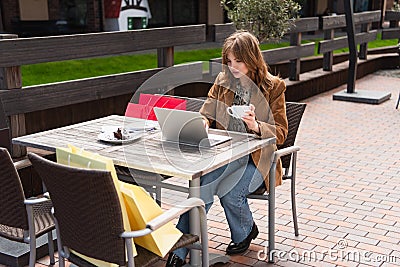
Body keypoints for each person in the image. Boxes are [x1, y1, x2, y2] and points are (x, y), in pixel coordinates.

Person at [166, 30, 288, 267]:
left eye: (238, 61)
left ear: (252, 59)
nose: (232, 67)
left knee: (231, 193)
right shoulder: (222, 82)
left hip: (258, 159)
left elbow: (281, 133)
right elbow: (206, 113)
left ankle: (245, 231)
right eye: (229, 61)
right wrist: (202, 122)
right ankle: (178, 251)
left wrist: (255, 125)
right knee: (201, 186)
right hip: (226, 155)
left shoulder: (274, 87)